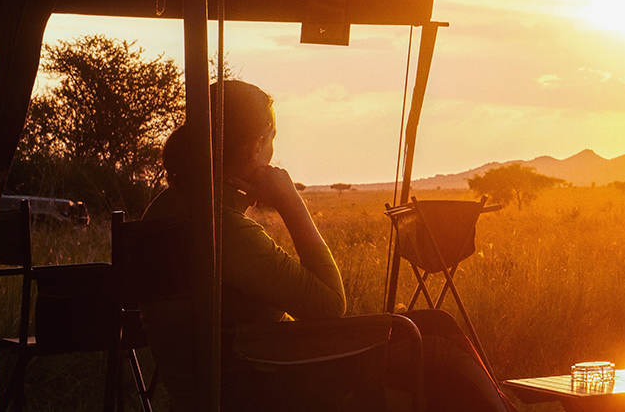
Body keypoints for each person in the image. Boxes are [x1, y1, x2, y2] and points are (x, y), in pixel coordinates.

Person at [145, 80, 516, 412]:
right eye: (271, 139)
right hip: (259, 389)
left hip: (215, 387)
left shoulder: (163, 210)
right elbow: (330, 305)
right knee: (433, 340)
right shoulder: (222, 229)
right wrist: (291, 202)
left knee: (434, 330)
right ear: (256, 146)